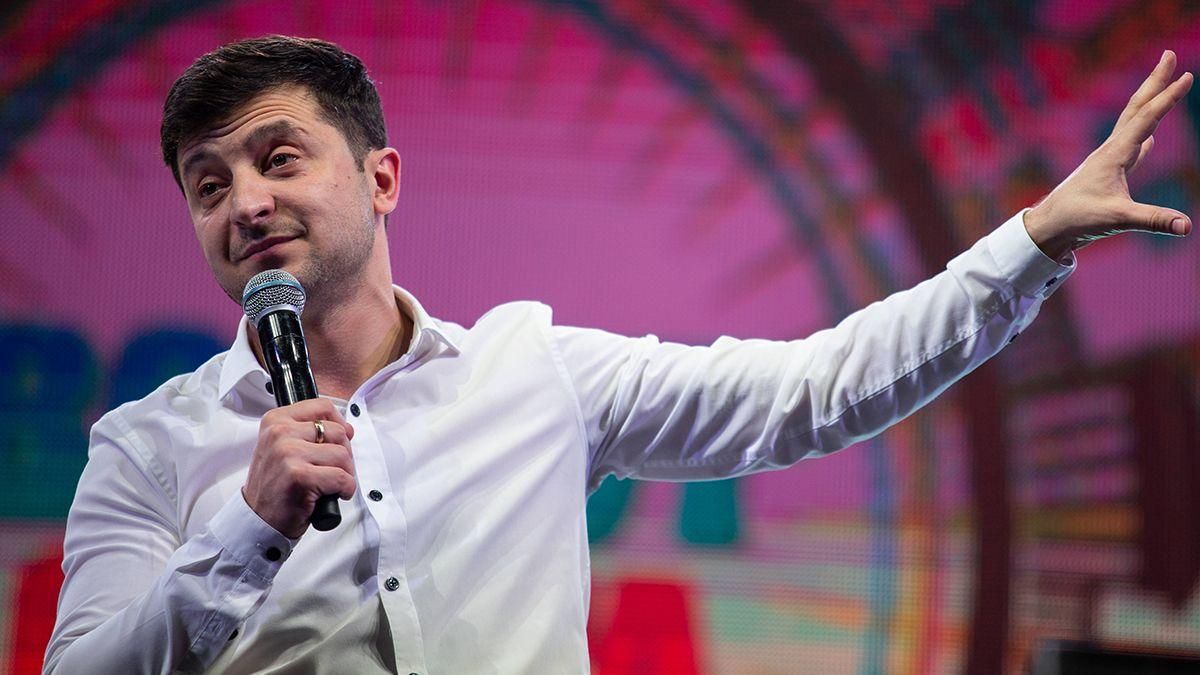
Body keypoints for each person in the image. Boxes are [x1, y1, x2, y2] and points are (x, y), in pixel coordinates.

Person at [43, 35, 1193, 674]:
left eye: (279, 159)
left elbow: (814, 390)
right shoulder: (149, 447)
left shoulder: (533, 373)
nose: (245, 202)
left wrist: (1035, 239)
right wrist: (246, 534)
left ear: (381, 178)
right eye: (208, 185)